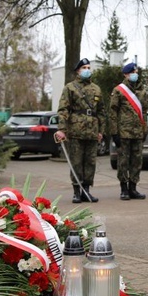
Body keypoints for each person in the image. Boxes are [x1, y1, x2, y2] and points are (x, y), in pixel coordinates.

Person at [55, 58, 107, 204]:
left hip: (92, 131)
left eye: (89, 67)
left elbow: (102, 111)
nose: (87, 70)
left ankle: (87, 191)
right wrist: (61, 129)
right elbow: (63, 109)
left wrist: (101, 130)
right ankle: (77, 192)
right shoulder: (70, 87)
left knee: (90, 162)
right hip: (76, 130)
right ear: (78, 70)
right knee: (76, 162)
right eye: (84, 67)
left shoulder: (96, 88)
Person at [109, 62, 147, 200]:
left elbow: (144, 112)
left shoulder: (141, 91)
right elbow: (113, 112)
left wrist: (145, 130)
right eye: (132, 72)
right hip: (124, 133)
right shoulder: (119, 90)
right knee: (123, 162)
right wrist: (114, 133)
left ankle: (133, 188)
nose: (135, 74)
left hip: (138, 133)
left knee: (137, 161)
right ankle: (124, 189)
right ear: (125, 74)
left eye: (136, 71)